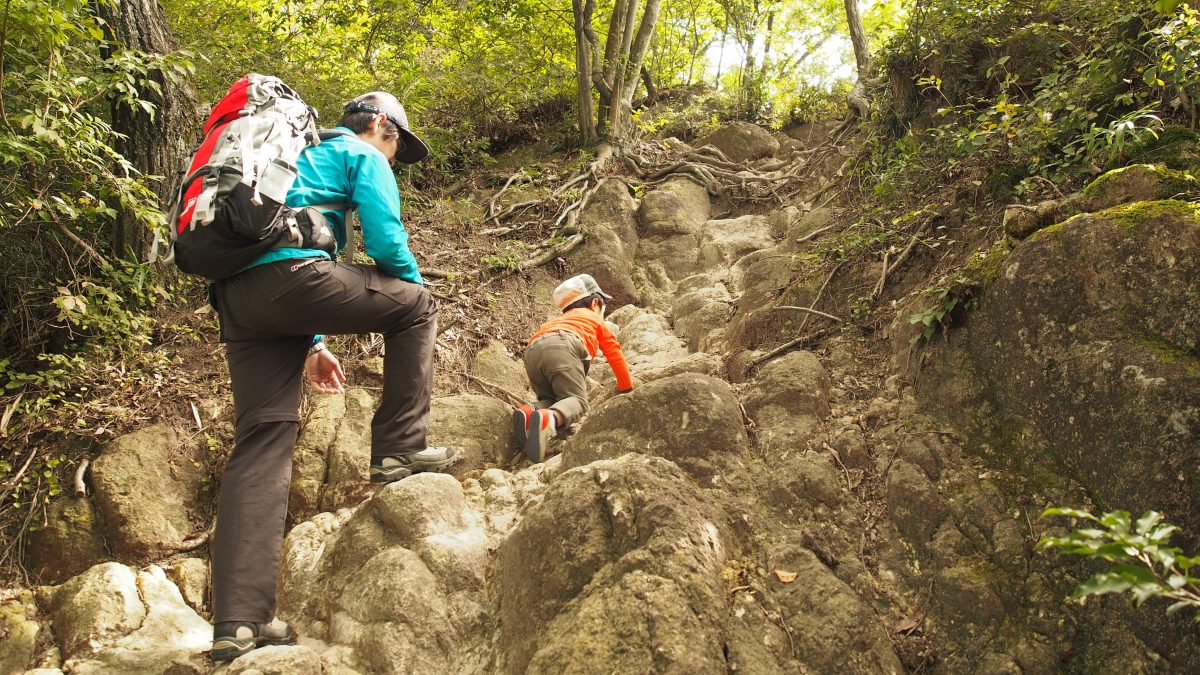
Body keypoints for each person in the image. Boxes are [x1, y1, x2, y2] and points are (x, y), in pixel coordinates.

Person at [207, 92, 456, 661]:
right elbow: (386, 241)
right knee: (417, 306)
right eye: (395, 145)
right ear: (377, 126)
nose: (392, 159)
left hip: (238, 302)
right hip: (295, 278)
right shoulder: (358, 153)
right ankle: (398, 448)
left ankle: (239, 624)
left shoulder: (292, 161)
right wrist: (416, 289)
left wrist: (315, 343)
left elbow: (275, 250)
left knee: (263, 438)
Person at [513, 273, 634, 462]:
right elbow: (613, 350)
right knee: (577, 401)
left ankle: (528, 413)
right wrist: (625, 385)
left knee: (552, 398)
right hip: (564, 345)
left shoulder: (556, 321)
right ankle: (548, 419)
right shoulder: (592, 319)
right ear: (595, 304)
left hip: (532, 350)